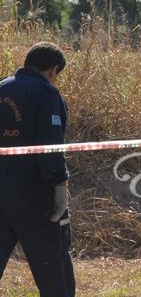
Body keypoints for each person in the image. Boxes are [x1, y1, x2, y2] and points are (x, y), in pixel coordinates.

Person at [0, 42, 75, 297]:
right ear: (53, 70)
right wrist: (59, 185)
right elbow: (50, 145)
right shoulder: (46, 94)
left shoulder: (2, 87)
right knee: (54, 269)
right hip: (34, 194)